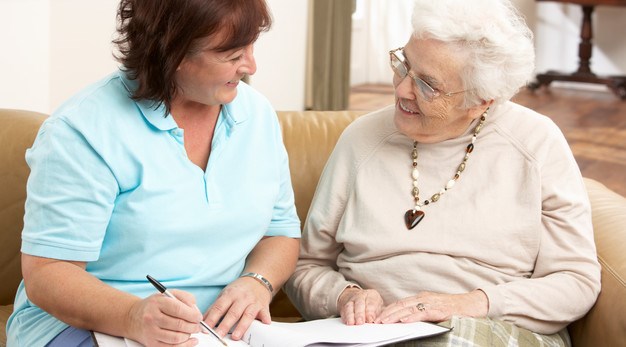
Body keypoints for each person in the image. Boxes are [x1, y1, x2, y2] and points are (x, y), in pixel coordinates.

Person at [285, 0, 601, 346]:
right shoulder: (361, 140)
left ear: (482, 100)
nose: (402, 89)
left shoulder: (535, 144)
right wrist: (343, 296)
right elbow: (305, 265)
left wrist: (472, 304)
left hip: (490, 329)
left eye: (428, 85)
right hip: (367, 333)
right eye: (403, 65)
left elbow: (576, 280)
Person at [7, 0, 301, 346]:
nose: (250, 65)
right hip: (87, 326)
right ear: (172, 52)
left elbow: (280, 233)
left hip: (214, 331)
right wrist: (133, 316)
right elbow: (48, 272)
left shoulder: (257, 115)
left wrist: (257, 281)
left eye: (251, 46)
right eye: (232, 54)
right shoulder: (83, 129)